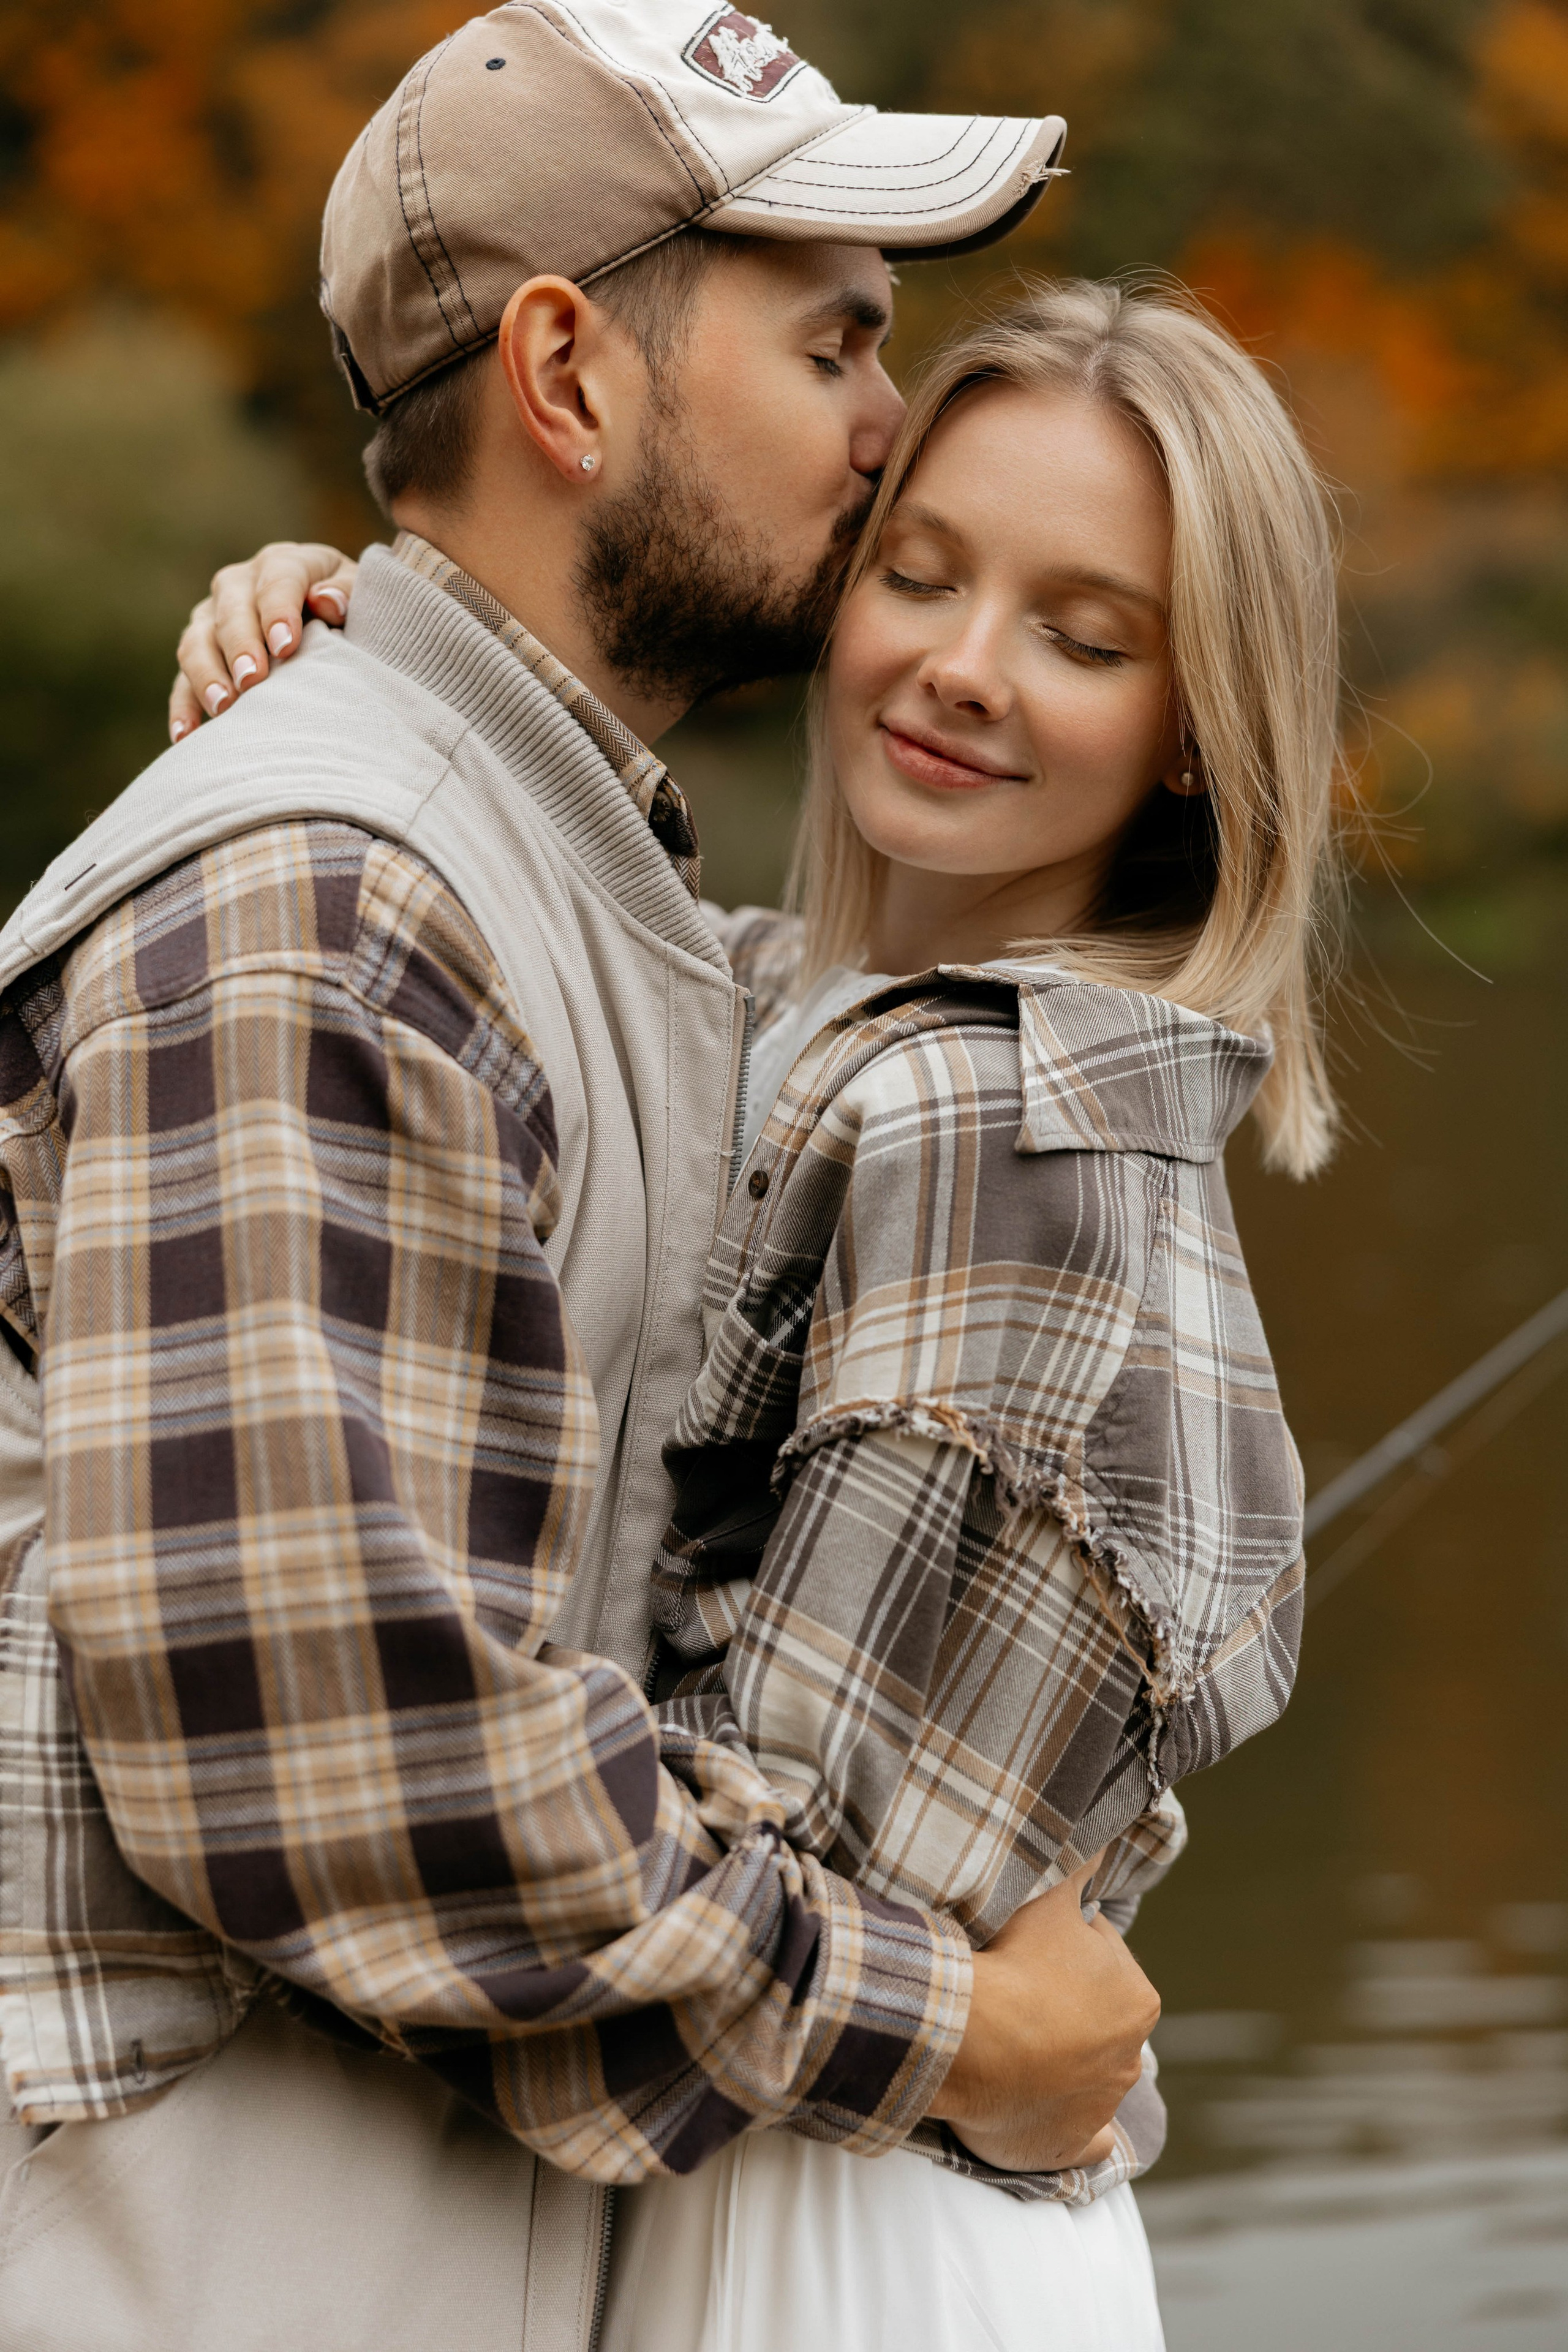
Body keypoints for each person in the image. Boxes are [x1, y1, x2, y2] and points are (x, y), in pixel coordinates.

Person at [0, 10, 1159, 2352]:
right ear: (565, 373)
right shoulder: (330, 895)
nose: (880, 422)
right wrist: (955, 2031)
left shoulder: (558, 874)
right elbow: (354, 1762)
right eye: (836, 339)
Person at [165, 276, 1327, 2349]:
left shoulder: (1002, 1115)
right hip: (775, 2157)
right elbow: (594, 967)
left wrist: (390, 1696)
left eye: (1084, 637)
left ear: (1195, 732)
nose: (966, 671)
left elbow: (803, 1844)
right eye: (923, 575)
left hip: (836, 2225)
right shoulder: (802, 1017)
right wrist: (347, 654)